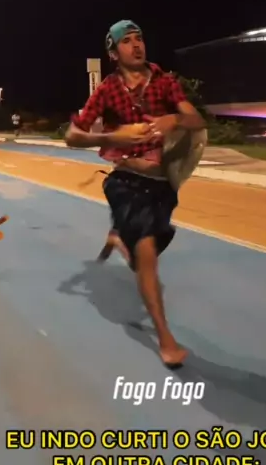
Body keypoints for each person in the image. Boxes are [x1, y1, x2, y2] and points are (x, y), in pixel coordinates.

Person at [65, 20, 206, 367]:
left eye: (139, 38)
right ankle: (166, 340)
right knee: (146, 256)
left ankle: (120, 237)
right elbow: (73, 136)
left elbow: (196, 120)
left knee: (144, 253)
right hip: (126, 183)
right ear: (114, 53)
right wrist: (112, 137)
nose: (136, 45)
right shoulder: (107, 90)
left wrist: (175, 119)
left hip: (162, 187)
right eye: (127, 41)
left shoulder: (165, 82)